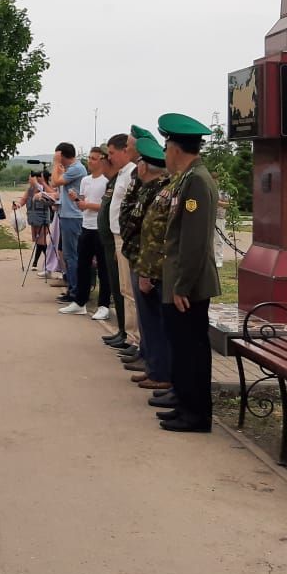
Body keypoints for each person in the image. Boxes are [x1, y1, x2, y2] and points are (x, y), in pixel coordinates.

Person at [151, 113, 221, 434]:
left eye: (166, 146)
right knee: (181, 347)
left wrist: (181, 285)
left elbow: (193, 240)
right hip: (179, 280)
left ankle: (195, 414)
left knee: (191, 349)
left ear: (176, 147)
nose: (164, 153)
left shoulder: (197, 181)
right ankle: (184, 403)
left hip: (188, 285)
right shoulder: (187, 177)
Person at [125, 134, 172, 394]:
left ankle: (160, 370)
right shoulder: (147, 188)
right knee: (149, 320)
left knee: (155, 321)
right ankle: (154, 366)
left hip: (152, 265)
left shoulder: (164, 189)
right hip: (140, 258)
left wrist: (147, 270)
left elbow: (155, 232)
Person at [60, 147, 111, 318]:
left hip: (100, 228)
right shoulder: (86, 180)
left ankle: (104, 304)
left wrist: (87, 205)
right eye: (89, 157)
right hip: (86, 225)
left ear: (102, 160)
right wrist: (76, 199)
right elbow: (82, 202)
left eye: (94, 158)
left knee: (103, 268)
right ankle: (80, 301)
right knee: (83, 265)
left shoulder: (106, 180)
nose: (90, 161)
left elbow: (106, 206)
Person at [102, 134, 138, 345]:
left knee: (130, 291)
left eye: (112, 153)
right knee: (124, 289)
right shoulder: (123, 174)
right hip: (118, 236)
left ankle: (133, 337)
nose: (110, 158)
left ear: (125, 150)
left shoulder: (132, 173)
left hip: (125, 237)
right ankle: (126, 332)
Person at [53, 142, 85, 304]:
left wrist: (55, 164)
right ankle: (72, 287)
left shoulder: (76, 169)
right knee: (68, 255)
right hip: (67, 215)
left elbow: (55, 182)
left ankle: (75, 291)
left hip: (73, 216)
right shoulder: (72, 169)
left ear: (63, 155)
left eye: (58, 155)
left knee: (71, 255)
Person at [14, 172, 56, 273]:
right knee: (38, 241)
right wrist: (18, 205)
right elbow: (23, 200)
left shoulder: (45, 189)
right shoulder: (30, 190)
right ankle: (39, 263)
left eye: (31, 179)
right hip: (33, 218)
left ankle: (47, 265)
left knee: (41, 241)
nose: (29, 180)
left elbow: (52, 200)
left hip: (43, 218)